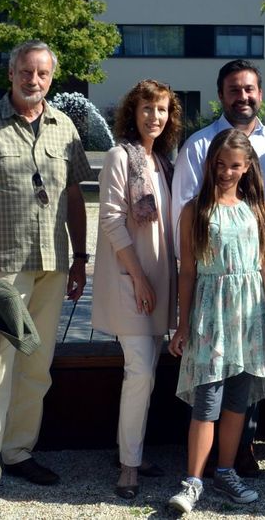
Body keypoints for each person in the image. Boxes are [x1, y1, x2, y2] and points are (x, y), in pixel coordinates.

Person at [0, 40, 94, 517]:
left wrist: (81, 258)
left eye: (43, 74)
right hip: (1, 268)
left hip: (53, 264)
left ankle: (18, 453)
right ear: (10, 74)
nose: (34, 81)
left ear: (52, 77)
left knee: (37, 368)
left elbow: (73, 196)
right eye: (26, 72)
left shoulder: (64, 126)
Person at [170, 58, 265, 475]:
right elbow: (187, 250)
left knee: (241, 394)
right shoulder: (198, 147)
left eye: (249, 89)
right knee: (208, 397)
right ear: (221, 95)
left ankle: (236, 459)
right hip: (210, 297)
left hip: (253, 301)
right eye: (234, 90)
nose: (243, 96)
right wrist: (182, 319)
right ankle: (197, 475)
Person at [89, 79, 182, 500]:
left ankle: (135, 452)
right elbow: (111, 221)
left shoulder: (161, 161)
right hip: (133, 281)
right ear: (133, 111)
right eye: (147, 109)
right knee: (140, 371)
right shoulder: (119, 157)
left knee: (145, 374)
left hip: (160, 282)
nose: (154, 117)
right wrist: (140, 279)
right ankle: (128, 466)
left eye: (161, 109)